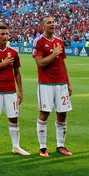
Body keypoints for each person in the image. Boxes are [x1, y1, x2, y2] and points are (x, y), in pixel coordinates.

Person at [0, 24, 29, 157]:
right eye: (2, 34)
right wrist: (3, 64)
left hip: (11, 91)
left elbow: (17, 72)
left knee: (14, 119)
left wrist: (20, 91)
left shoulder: (13, 52)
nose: (5, 36)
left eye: (7, 34)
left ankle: (16, 146)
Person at [33, 16, 73, 157]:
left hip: (61, 84)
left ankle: (60, 145)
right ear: (43, 26)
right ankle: (43, 147)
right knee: (44, 113)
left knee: (62, 113)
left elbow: (63, 64)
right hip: (46, 84)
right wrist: (54, 54)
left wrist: (68, 83)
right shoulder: (38, 42)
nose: (52, 24)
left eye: (53, 22)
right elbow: (40, 63)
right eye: (49, 22)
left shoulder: (59, 41)